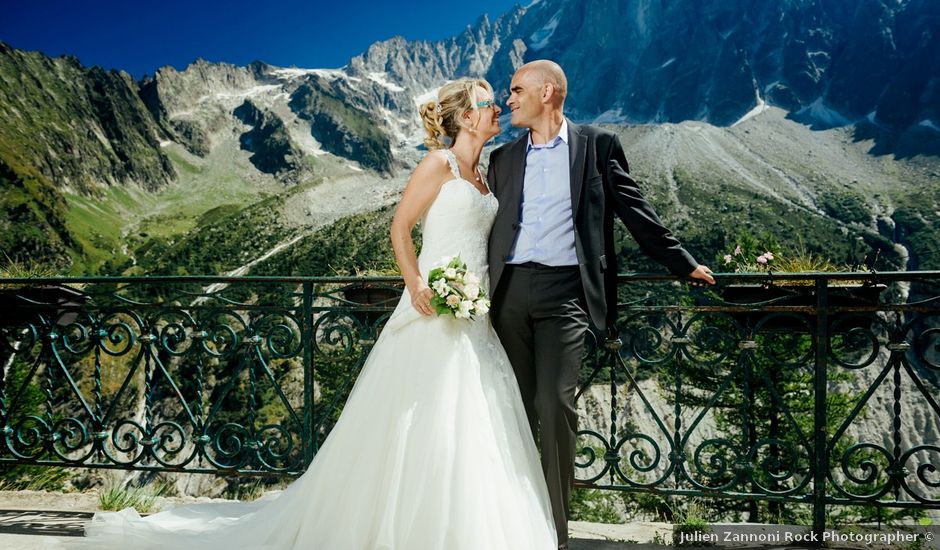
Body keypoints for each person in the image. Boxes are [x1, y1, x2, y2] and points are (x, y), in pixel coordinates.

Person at [60, 78, 557, 550]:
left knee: (476, 425)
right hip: (431, 309)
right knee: (421, 422)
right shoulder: (437, 166)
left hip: (475, 316)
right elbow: (400, 228)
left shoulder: (486, 171)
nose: (498, 108)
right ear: (468, 117)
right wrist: (418, 285)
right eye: (490, 102)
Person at [487, 60, 715, 550]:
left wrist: (682, 263)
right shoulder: (502, 158)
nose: (509, 100)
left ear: (548, 93)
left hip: (567, 294)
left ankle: (554, 533)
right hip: (507, 295)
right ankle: (512, 525)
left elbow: (635, 210)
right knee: (514, 409)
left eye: (516, 90)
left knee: (555, 402)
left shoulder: (597, 146)